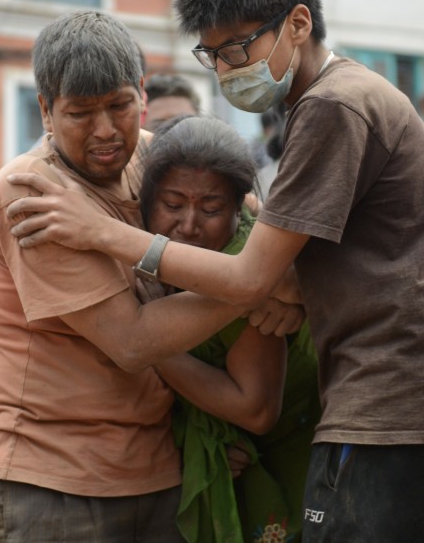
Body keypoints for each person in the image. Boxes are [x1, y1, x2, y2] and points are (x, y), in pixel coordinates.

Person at [6, 0, 424, 542]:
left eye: (238, 47)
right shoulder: (350, 96)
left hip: (398, 403)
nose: (229, 69)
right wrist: (284, 286)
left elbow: (249, 276)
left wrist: (105, 233)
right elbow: (286, 272)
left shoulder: (334, 106)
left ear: (299, 23)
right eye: (213, 56)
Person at [0, 10, 299, 543]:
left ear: (141, 94)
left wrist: (284, 272)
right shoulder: (31, 193)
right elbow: (131, 340)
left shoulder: (152, 157)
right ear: (45, 111)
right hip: (53, 486)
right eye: (80, 113)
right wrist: (262, 281)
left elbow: (249, 220)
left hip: (160, 473)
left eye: (119, 106)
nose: (105, 131)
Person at [140, 115, 321, 542]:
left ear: (239, 209)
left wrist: (144, 340)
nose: (188, 225)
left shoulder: (245, 267)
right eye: (171, 204)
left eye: (211, 209)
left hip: (291, 461)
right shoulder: (148, 256)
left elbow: (255, 409)